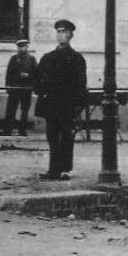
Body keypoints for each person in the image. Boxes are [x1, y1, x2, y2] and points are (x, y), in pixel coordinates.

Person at [34, 19, 87, 181]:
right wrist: (42, 91)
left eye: (64, 32)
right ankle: (53, 169)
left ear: (71, 35)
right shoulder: (48, 58)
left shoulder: (77, 59)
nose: (61, 35)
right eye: (58, 32)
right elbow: (36, 79)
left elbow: (81, 84)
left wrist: (78, 105)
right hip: (51, 104)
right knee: (52, 137)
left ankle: (65, 169)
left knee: (66, 136)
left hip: (68, 105)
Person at [1, 38, 37, 137]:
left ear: (27, 47)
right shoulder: (13, 59)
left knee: (24, 110)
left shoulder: (32, 59)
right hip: (14, 88)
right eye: (19, 47)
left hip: (26, 88)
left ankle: (23, 130)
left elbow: (36, 74)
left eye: (23, 46)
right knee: (10, 110)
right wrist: (8, 86)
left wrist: (29, 76)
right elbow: (9, 73)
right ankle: (7, 130)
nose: (21, 49)